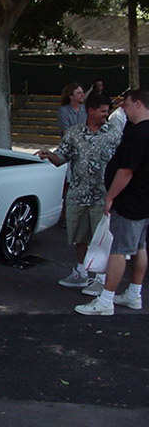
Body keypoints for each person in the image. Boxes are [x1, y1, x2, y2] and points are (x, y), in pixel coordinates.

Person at [36, 93, 123, 291]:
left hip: (103, 196)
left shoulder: (115, 133)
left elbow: (123, 164)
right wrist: (48, 155)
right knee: (79, 237)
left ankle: (100, 279)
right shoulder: (74, 133)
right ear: (91, 110)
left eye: (107, 111)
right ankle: (81, 272)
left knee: (101, 239)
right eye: (103, 111)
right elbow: (61, 158)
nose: (106, 115)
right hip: (78, 195)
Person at [75, 89, 149, 315]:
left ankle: (106, 300)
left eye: (127, 104)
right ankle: (134, 293)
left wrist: (110, 197)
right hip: (143, 199)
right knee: (139, 247)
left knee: (119, 250)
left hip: (131, 200)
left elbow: (126, 171)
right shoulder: (138, 130)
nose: (123, 109)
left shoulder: (138, 133)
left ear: (138, 104)